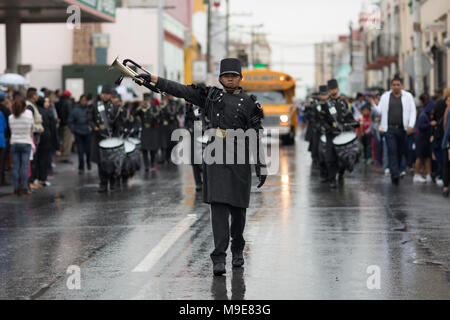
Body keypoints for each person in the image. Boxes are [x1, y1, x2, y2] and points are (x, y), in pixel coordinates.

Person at [134, 58, 267, 276]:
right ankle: (219, 257)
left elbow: (255, 136)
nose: (230, 79)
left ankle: (237, 249)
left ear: (240, 78)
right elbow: (181, 90)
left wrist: (261, 166)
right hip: (215, 158)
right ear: (220, 78)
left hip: (240, 160)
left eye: (234, 75)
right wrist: (153, 79)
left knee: (238, 212)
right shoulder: (210, 97)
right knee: (219, 209)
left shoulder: (250, 103)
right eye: (226, 75)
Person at [374, 77, 416, 185]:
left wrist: (411, 125)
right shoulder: (385, 96)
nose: (396, 87)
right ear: (391, 86)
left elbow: (413, 111)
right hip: (389, 129)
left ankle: (396, 170)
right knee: (392, 151)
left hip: (403, 129)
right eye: (394, 85)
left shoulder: (408, 96)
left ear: (401, 85)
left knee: (400, 152)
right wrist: (373, 104)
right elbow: (379, 111)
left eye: (398, 85)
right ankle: (395, 174)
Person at [319, 79, 359, 188]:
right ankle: (332, 179)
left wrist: (353, 123)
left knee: (343, 156)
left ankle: (341, 174)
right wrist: (330, 129)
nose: (333, 91)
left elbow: (348, 116)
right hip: (331, 134)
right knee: (331, 158)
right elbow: (322, 120)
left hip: (342, 133)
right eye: (331, 89)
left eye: (334, 89)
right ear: (329, 90)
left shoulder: (343, 102)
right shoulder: (326, 104)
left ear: (338, 89)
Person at [88, 84, 124, 193]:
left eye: (107, 94)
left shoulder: (115, 107)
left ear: (110, 95)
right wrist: (95, 127)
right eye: (103, 94)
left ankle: (112, 183)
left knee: (112, 162)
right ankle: (103, 184)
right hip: (98, 137)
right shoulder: (95, 106)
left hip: (111, 138)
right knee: (101, 163)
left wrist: (116, 136)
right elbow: (90, 119)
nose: (105, 96)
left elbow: (118, 124)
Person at [9, 99, 34, 195]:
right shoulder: (28, 117)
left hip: (14, 142)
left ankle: (15, 187)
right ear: (24, 108)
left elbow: (11, 129)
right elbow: (32, 128)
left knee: (16, 167)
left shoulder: (10, 117)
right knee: (24, 166)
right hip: (26, 142)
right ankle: (24, 187)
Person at [35, 97, 58, 186]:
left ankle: (36, 178)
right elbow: (53, 127)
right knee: (44, 158)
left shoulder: (37, 111)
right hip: (46, 137)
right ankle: (43, 178)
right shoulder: (47, 112)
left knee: (37, 158)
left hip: (38, 137)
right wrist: (55, 141)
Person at [68, 94, 92, 174]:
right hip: (78, 133)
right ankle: (81, 167)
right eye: (82, 100)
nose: (84, 102)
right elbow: (70, 121)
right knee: (80, 151)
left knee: (88, 150)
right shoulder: (75, 110)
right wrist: (73, 129)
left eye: (85, 100)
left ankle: (88, 161)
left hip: (88, 132)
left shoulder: (89, 109)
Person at [137, 93, 161, 171]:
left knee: (153, 149)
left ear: (150, 100)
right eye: (146, 100)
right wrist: (139, 108)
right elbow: (134, 114)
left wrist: (152, 113)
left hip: (152, 130)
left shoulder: (154, 107)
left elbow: (158, 118)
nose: (147, 101)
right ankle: (146, 166)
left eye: (148, 100)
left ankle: (152, 163)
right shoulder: (141, 108)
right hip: (144, 130)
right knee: (144, 149)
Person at [184, 102, 203, 191]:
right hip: (194, 136)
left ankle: (207, 181)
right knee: (195, 161)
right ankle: (198, 182)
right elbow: (187, 121)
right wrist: (190, 128)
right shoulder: (190, 107)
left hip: (206, 135)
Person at [56, 90, 74, 163]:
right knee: (67, 141)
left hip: (60, 124)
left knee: (62, 140)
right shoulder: (68, 102)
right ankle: (65, 157)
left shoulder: (58, 102)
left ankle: (61, 154)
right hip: (67, 124)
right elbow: (70, 114)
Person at [0, 91, 12, 186]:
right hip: (2, 139)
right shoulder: (5, 111)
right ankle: (1, 180)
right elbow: (6, 126)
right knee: (2, 160)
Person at [441, 93, 450, 197]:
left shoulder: (449, 110)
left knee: (446, 165)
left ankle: (446, 187)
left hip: (448, 143)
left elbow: (447, 128)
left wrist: (445, 142)